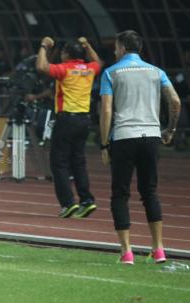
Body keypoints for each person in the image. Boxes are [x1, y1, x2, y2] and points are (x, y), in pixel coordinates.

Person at [99, 30, 181, 265]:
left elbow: (106, 111)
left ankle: (126, 252)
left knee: (120, 194)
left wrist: (104, 144)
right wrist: (170, 130)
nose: (115, 51)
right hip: (151, 136)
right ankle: (159, 249)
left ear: (123, 47)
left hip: (124, 137)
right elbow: (174, 101)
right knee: (150, 192)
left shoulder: (111, 73)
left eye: (116, 47)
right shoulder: (157, 72)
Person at [36, 37, 102, 218]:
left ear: (67, 54)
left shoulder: (64, 69)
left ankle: (68, 203)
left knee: (59, 163)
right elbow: (98, 62)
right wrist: (88, 45)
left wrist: (43, 46)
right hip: (84, 121)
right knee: (78, 162)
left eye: (63, 52)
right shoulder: (89, 69)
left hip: (66, 120)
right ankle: (87, 200)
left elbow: (41, 67)